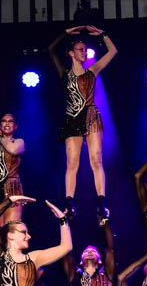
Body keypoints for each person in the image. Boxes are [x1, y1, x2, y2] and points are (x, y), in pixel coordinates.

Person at [47, 25, 118, 221]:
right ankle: (69, 205)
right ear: (71, 53)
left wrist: (103, 34)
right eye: (80, 49)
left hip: (91, 116)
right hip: (72, 118)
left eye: (85, 50)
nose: (84, 52)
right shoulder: (65, 73)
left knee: (96, 160)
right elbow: (51, 49)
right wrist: (66, 32)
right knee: (72, 163)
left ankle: (101, 204)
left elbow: (113, 51)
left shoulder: (92, 71)